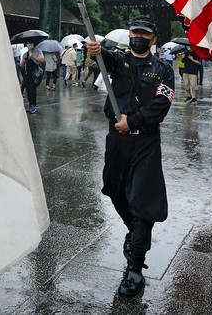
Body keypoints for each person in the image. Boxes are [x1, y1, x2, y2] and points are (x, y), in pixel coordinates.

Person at [86, 15, 175, 298]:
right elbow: (105, 59)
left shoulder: (163, 70)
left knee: (142, 203)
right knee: (114, 190)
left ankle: (135, 268)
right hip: (117, 141)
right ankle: (133, 231)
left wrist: (133, 121)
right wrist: (96, 51)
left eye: (144, 33)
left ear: (153, 39)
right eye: (134, 32)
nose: (138, 36)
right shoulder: (120, 60)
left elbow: (160, 107)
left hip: (145, 142)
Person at [20, 43, 44, 114]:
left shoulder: (38, 52)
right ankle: (30, 104)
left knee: (32, 89)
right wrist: (23, 62)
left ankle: (33, 105)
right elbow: (21, 65)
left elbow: (42, 60)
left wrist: (33, 56)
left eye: (30, 43)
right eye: (28, 43)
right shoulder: (25, 53)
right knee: (27, 90)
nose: (29, 44)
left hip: (35, 74)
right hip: (27, 74)